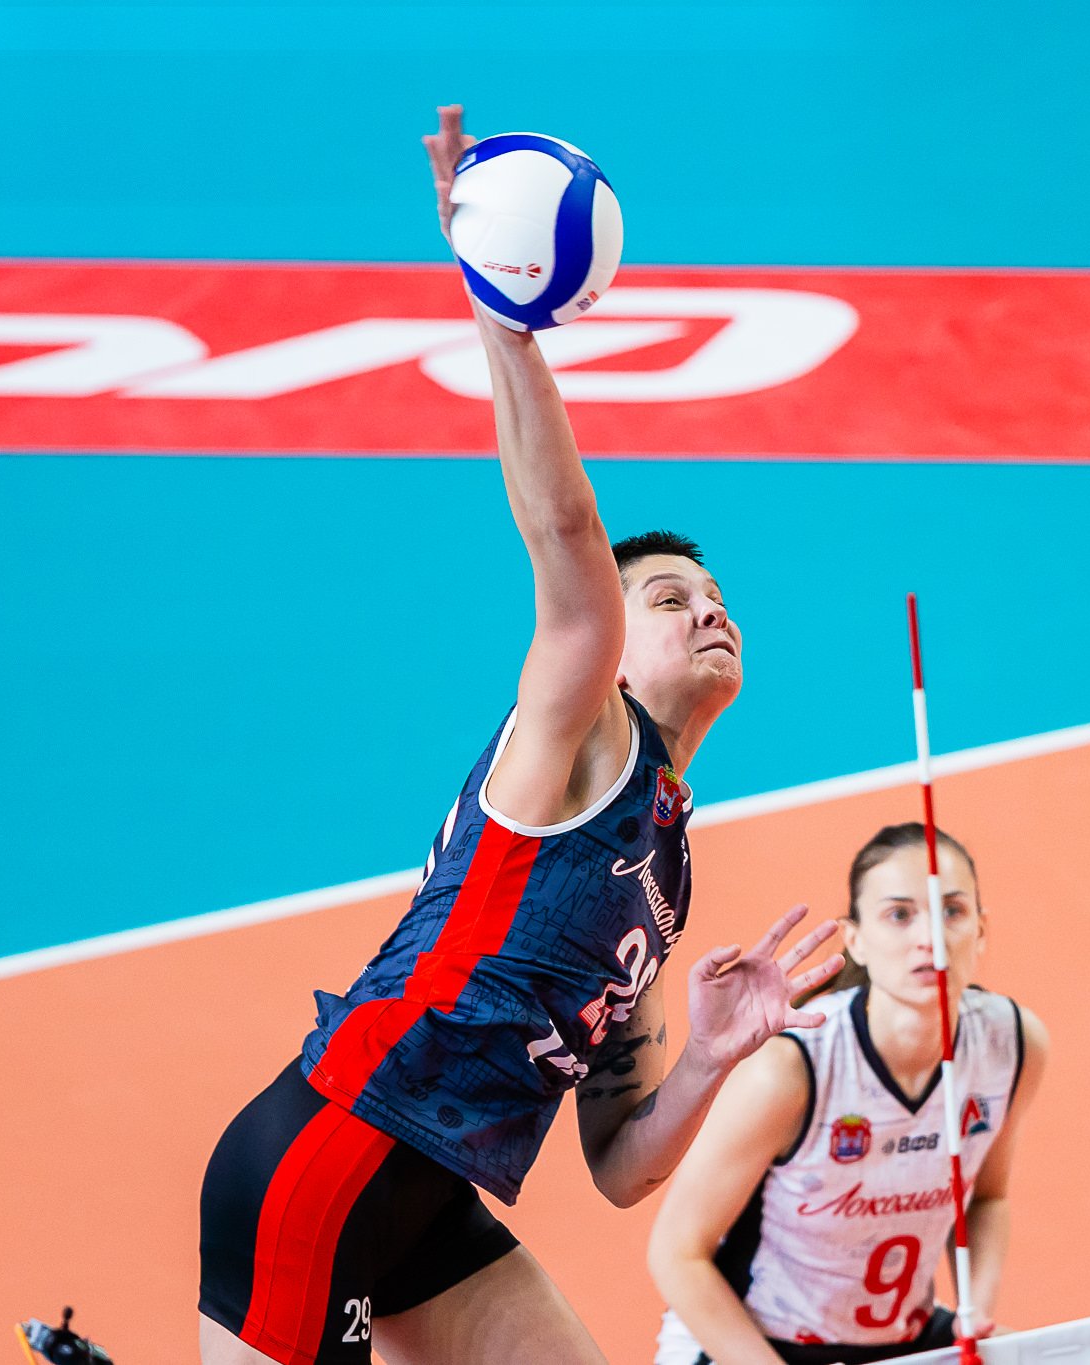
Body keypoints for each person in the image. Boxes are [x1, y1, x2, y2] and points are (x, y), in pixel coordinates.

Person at [195, 105, 843, 1365]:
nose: (708, 611)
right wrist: (500, 310)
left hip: (427, 1200)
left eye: (716, 599)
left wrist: (710, 1058)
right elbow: (563, 535)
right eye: (670, 599)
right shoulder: (579, 738)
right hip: (331, 1155)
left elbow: (619, 1167)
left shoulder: (662, 866)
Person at [648, 824, 1050, 1364]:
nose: (930, 937)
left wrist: (974, 1314)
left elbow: (986, 1196)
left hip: (898, 1341)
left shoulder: (1011, 1044)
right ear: (856, 940)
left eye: (952, 911)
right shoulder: (790, 1071)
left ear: (980, 930)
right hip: (750, 1345)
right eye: (899, 915)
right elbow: (677, 1255)